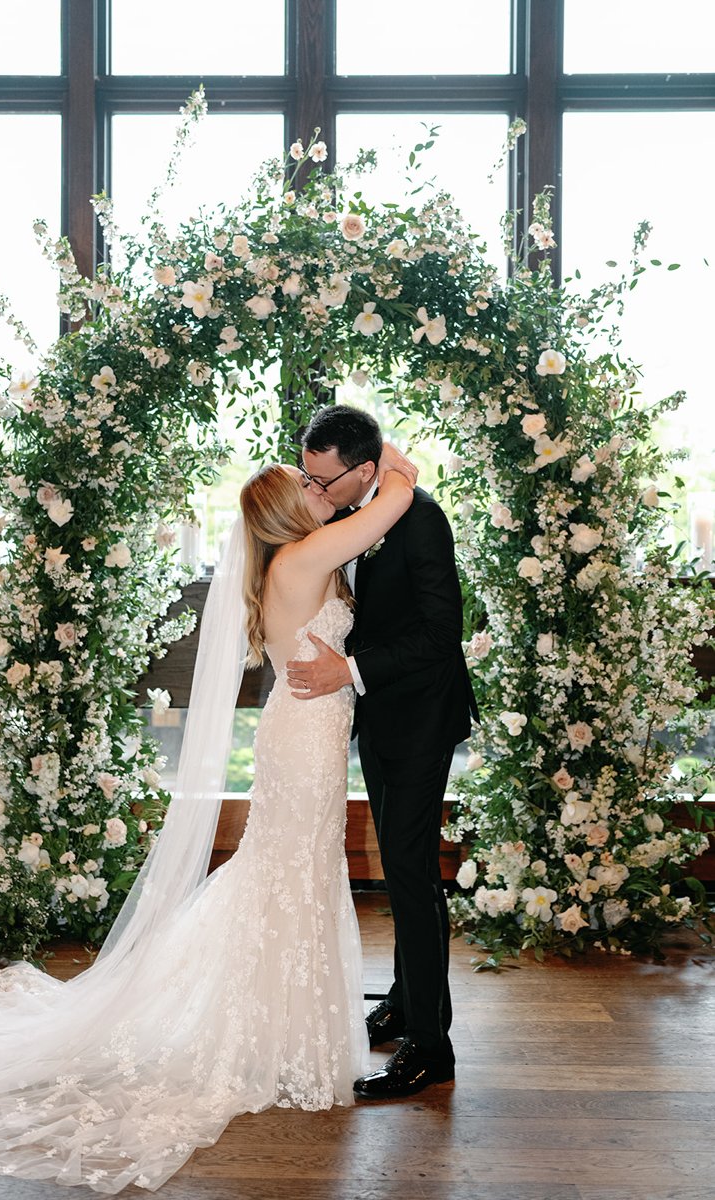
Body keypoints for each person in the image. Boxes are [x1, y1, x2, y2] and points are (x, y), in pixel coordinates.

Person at [0, 444, 417, 1194]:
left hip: (311, 729)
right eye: (305, 481)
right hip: (304, 738)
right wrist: (378, 451)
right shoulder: (301, 558)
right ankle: (271, 1032)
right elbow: (397, 494)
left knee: (290, 869)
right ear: (288, 512)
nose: (315, 484)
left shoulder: (300, 557)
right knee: (287, 870)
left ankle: (279, 1029)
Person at [288, 404, 478, 1101]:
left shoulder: (420, 517)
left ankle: (432, 1047)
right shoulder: (358, 496)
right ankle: (403, 1003)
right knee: (400, 865)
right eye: (308, 473)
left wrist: (351, 671)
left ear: (364, 471)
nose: (315, 491)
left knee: (409, 870)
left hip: (421, 715)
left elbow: (441, 632)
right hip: (380, 714)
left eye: (325, 480)